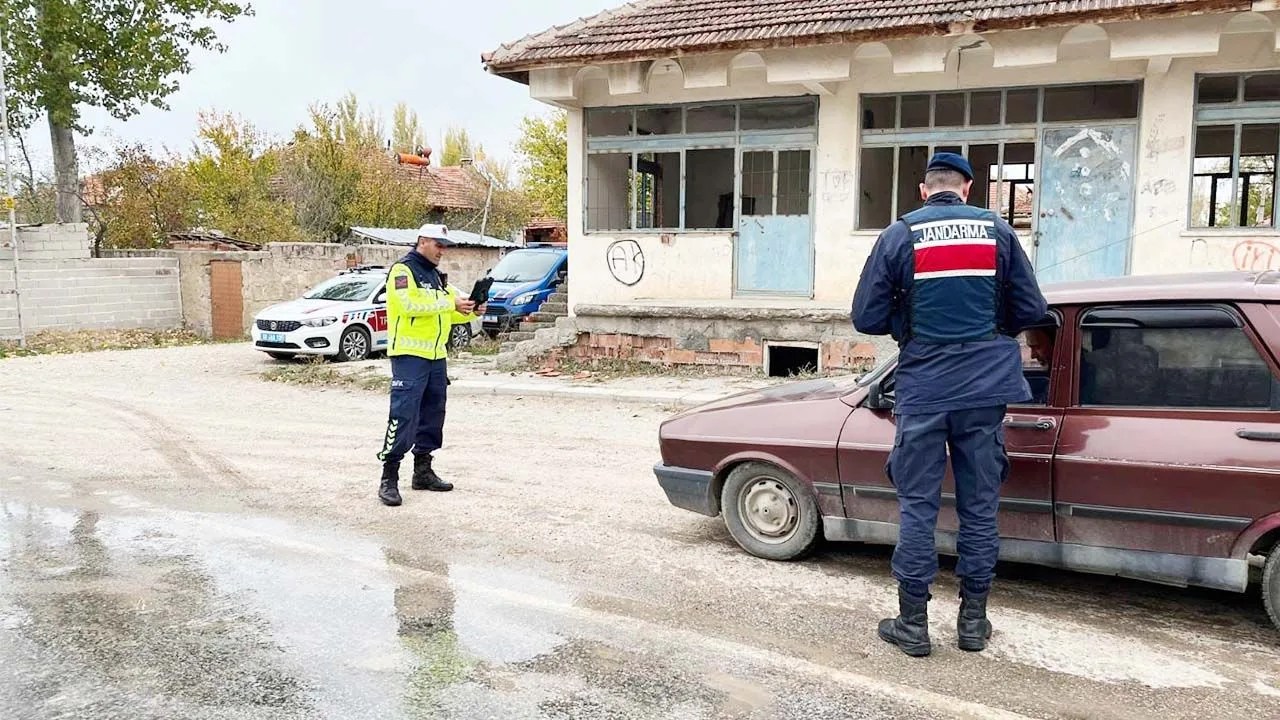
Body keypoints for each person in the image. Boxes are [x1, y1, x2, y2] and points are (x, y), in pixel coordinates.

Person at [852, 152, 1048, 657]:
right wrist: (989, 333)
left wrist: (908, 322)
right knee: (979, 507)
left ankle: (913, 625)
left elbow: (866, 317)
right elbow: (1031, 309)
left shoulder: (900, 234)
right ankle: (972, 624)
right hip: (984, 391)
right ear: (968, 189)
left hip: (924, 389)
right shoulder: (998, 232)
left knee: (918, 506)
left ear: (924, 191)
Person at [376, 223, 485, 507]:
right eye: (438, 244)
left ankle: (422, 471)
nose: (442, 251)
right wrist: (450, 303)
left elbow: (444, 314)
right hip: (409, 355)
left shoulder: (435, 276)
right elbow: (408, 305)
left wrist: (469, 311)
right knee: (403, 415)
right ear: (422, 241)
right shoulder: (403, 271)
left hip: (436, 356)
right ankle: (389, 477)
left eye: (444, 246)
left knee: (433, 415)